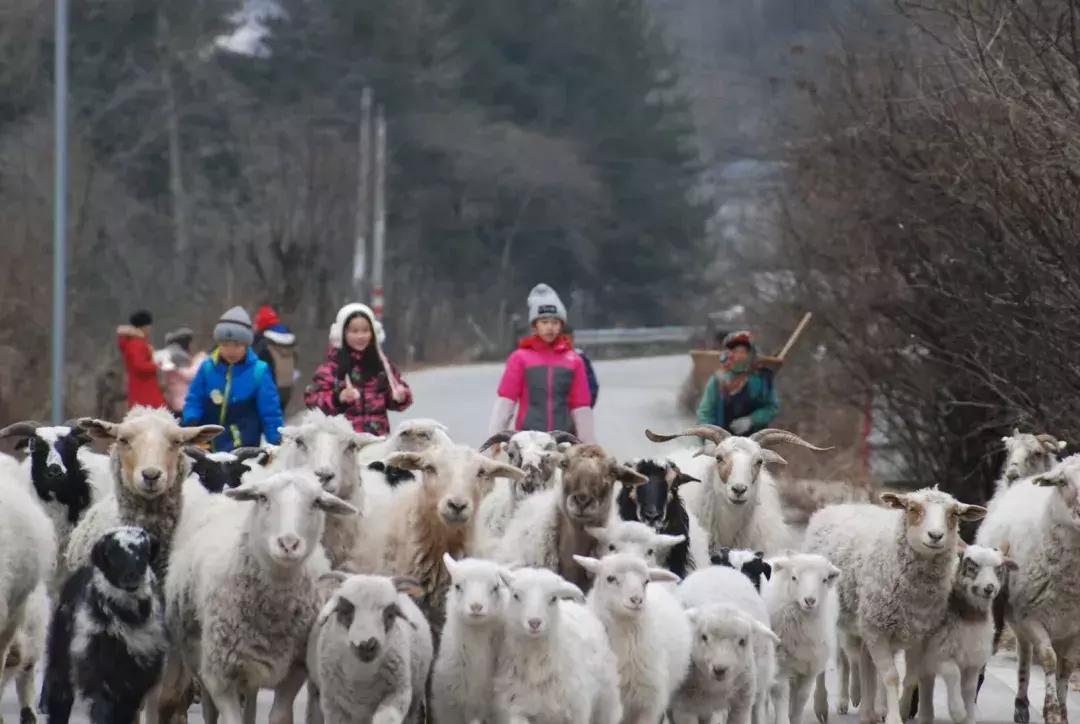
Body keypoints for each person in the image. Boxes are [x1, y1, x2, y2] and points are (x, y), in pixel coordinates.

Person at [487, 284, 595, 442]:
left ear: (561, 326)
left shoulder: (574, 361)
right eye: (544, 322)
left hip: (563, 441)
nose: (550, 327)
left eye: (555, 322)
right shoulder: (520, 358)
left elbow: (581, 408)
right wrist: (494, 439)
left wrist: (588, 444)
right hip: (528, 442)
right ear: (534, 325)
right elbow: (506, 403)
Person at [183, 307, 283, 453]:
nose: (230, 351)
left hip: (244, 448)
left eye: (237, 345)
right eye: (224, 345)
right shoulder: (208, 368)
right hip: (208, 446)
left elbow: (270, 411)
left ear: (247, 344)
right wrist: (191, 423)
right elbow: (194, 399)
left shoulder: (259, 371)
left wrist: (277, 442)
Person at [304, 303, 413, 436]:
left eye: (365, 330)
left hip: (378, 441)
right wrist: (338, 397)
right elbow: (312, 399)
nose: (360, 336)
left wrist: (400, 397)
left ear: (373, 333)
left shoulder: (382, 366)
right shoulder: (331, 368)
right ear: (342, 334)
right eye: (354, 331)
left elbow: (397, 394)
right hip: (344, 443)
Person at [696, 330, 779, 435]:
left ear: (751, 354)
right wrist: (709, 438)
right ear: (728, 353)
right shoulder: (717, 379)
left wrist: (752, 420)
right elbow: (705, 412)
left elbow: (772, 407)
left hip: (755, 441)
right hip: (722, 442)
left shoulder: (762, 379)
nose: (739, 355)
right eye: (735, 351)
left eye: (743, 351)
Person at [116, 310, 166, 410]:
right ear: (144, 326)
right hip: (145, 391)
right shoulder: (136, 344)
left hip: (140, 389)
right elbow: (138, 365)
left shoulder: (133, 342)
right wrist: (156, 365)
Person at [251, 305, 298, 409]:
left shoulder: (262, 342)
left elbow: (255, 364)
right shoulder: (289, 341)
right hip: (287, 388)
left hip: (269, 388)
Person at [157, 327, 207, 419]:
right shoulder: (177, 362)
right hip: (183, 403)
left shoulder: (167, 360)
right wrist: (200, 360)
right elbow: (191, 375)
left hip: (175, 402)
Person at [564, 326, 599, 408]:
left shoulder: (581, 358)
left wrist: (585, 407)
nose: (566, 344)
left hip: (577, 410)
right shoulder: (548, 359)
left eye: (569, 340)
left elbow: (592, 386)